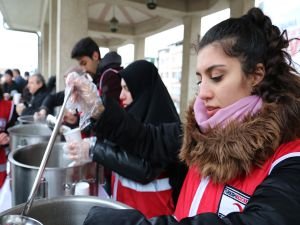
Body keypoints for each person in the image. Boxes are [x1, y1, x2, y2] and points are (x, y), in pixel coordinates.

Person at [70, 7, 300, 225]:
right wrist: (98, 109)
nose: (203, 93)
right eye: (201, 79)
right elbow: (146, 138)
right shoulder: (201, 133)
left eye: (217, 76)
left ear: (256, 75)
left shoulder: (288, 159)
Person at [65, 60, 185, 218]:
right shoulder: (134, 114)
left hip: (152, 214)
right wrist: (92, 109)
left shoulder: (165, 121)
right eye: (121, 88)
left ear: (143, 88)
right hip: (127, 207)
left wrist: (95, 149)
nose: (121, 95)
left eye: (127, 89)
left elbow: (146, 169)